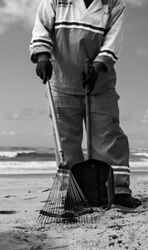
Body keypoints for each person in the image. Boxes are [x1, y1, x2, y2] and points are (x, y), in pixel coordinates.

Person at [30, 0, 141, 208]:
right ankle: (76, 193)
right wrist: (42, 55)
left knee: (108, 134)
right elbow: (42, 26)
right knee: (66, 140)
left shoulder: (115, 4)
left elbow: (112, 40)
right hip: (62, 81)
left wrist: (99, 65)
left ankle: (117, 190)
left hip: (99, 82)